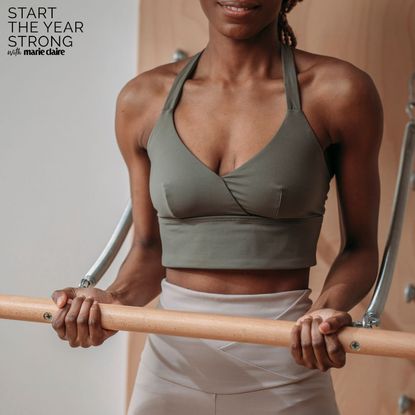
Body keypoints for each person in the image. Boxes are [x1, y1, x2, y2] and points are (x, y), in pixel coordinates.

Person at [50, 0, 383, 413]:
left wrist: (326, 310)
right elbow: (150, 250)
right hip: (170, 370)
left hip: (288, 367)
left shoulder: (339, 91)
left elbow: (361, 248)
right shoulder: (142, 100)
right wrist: (112, 301)